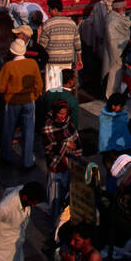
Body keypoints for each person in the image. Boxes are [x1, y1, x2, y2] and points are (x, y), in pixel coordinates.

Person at [0, 39, 43, 170]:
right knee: (29, 131)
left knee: (8, 129)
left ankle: (6, 155)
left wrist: (7, 91)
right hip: (29, 100)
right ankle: (28, 160)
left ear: (12, 51)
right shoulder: (32, 64)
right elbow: (39, 84)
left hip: (12, 101)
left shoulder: (9, 66)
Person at [42, 97, 82, 236]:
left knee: (65, 200)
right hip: (55, 167)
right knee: (54, 201)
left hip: (68, 166)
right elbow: (49, 148)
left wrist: (68, 146)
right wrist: (66, 145)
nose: (62, 117)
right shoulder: (48, 126)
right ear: (54, 113)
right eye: (60, 114)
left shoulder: (69, 123)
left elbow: (77, 143)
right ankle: (53, 229)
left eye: (65, 114)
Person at [39, 0, 82, 92]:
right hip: (67, 62)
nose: (48, 11)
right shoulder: (72, 23)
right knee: (65, 88)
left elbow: (42, 45)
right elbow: (77, 43)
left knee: (52, 89)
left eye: (49, 9)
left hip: (52, 63)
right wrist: (79, 59)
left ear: (55, 9)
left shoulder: (48, 24)